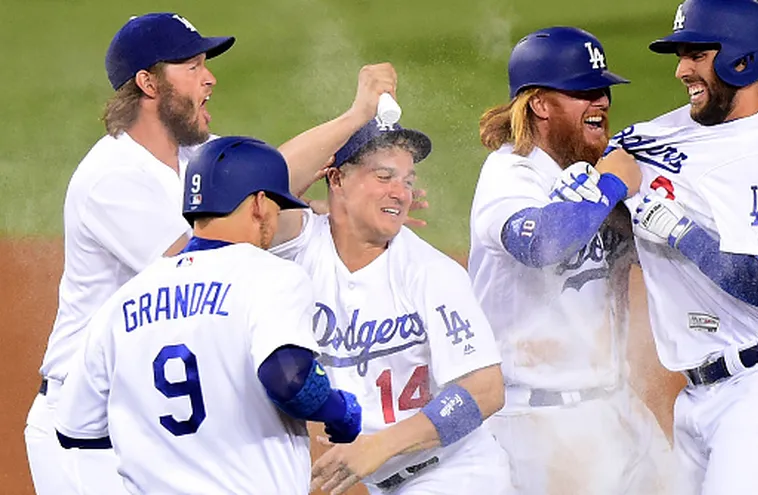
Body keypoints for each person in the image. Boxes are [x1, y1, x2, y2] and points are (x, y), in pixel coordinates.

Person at [25, 12, 396, 494]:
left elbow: (263, 185)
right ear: (148, 83)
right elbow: (213, 243)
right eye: (193, 66)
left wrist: (350, 210)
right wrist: (355, 118)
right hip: (89, 427)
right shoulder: (111, 177)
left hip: (160, 407)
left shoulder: (196, 158)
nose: (210, 77)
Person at [608, 0, 758, 493]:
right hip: (695, 399)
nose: (681, 70)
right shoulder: (661, 131)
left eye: (695, 54)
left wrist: (672, 225)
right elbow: (598, 166)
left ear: (742, 58)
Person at [53, 137, 362, 495]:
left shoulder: (122, 302)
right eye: (278, 205)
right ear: (260, 203)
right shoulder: (271, 276)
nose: (278, 218)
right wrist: (341, 413)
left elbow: (76, 429)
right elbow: (289, 379)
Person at [468, 26, 673, 494]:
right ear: (540, 104)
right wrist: (612, 186)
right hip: (540, 422)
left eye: (602, 90)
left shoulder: (585, 171)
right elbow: (540, 244)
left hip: (616, 406)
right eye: (583, 92)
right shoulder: (510, 174)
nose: (601, 101)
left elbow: (661, 259)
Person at [269, 119, 513, 495]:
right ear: (336, 180)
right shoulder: (299, 246)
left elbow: (484, 391)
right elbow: (259, 195)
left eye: (408, 181)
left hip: (450, 472)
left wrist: (380, 446)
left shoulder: (431, 273)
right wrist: (356, 113)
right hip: (359, 477)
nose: (401, 193)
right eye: (384, 176)